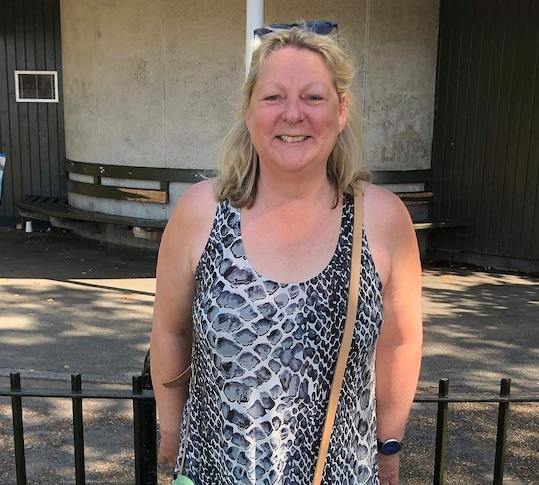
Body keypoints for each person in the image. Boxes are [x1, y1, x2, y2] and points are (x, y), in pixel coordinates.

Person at [149, 23, 422, 485]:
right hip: (215, 472)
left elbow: (399, 342)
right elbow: (170, 331)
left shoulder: (382, 218)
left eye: (313, 98)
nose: (292, 114)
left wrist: (389, 446)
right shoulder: (201, 212)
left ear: (340, 111)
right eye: (274, 97)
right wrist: (172, 432)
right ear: (250, 111)